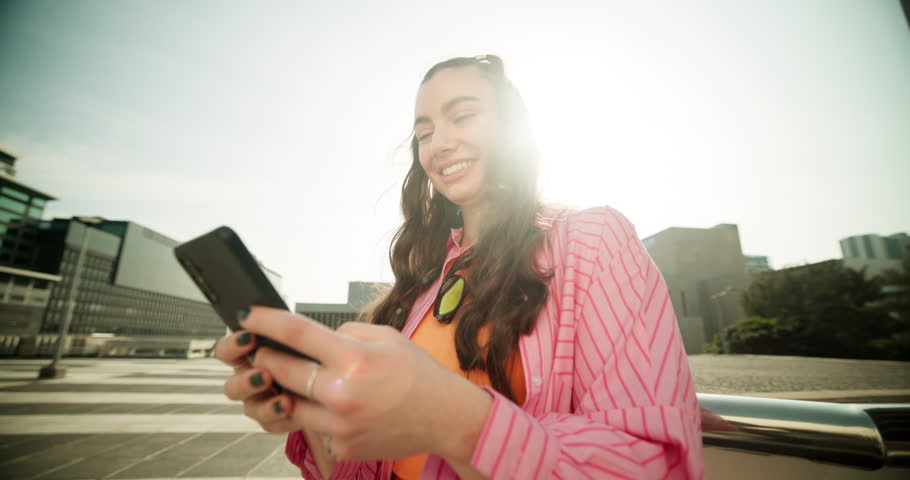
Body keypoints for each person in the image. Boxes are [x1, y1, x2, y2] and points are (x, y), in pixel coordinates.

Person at [214, 54, 704, 479]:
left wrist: (454, 421)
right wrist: (315, 411)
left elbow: (651, 464)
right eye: (424, 132)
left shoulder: (592, 238)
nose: (439, 144)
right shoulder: (422, 283)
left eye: (463, 117)